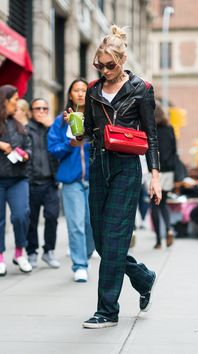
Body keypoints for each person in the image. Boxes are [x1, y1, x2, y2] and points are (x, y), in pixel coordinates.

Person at [65, 25, 162, 329]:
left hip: (126, 168)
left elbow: (151, 135)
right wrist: (75, 127)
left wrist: (155, 176)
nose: (104, 70)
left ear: (122, 60)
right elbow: (85, 136)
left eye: (110, 65)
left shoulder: (141, 89)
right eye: (99, 65)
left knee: (116, 237)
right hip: (98, 165)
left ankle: (107, 310)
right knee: (104, 243)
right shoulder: (93, 90)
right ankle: (143, 277)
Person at [48, 79, 95, 282]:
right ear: (70, 94)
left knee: (92, 224)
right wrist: (70, 144)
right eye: (76, 90)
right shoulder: (61, 121)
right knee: (76, 224)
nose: (80, 94)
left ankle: (86, 254)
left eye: (84, 90)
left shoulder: (96, 118)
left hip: (95, 179)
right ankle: (80, 265)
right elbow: (53, 148)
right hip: (71, 181)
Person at [0, 85, 32, 276]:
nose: (17, 103)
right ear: (4, 100)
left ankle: (20, 252)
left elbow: (28, 147)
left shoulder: (19, 124)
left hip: (18, 178)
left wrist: (25, 154)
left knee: (21, 215)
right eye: (14, 100)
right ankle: (0, 257)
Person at [26, 98, 60, 269]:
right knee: (31, 220)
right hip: (32, 183)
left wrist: (52, 127)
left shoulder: (53, 129)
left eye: (44, 108)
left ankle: (49, 251)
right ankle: (31, 252)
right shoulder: (25, 130)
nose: (41, 111)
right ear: (31, 111)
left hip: (50, 182)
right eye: (37, 108)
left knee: (52, 217)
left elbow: (63, 149)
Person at [151, 103, 177, 249]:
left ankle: (158, 241)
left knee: (154, 204)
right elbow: (174, 151)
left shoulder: (150, 129)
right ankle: (169, 229)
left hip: (154, 171)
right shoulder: (169, 129)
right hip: (169, 171)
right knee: (164, 202)